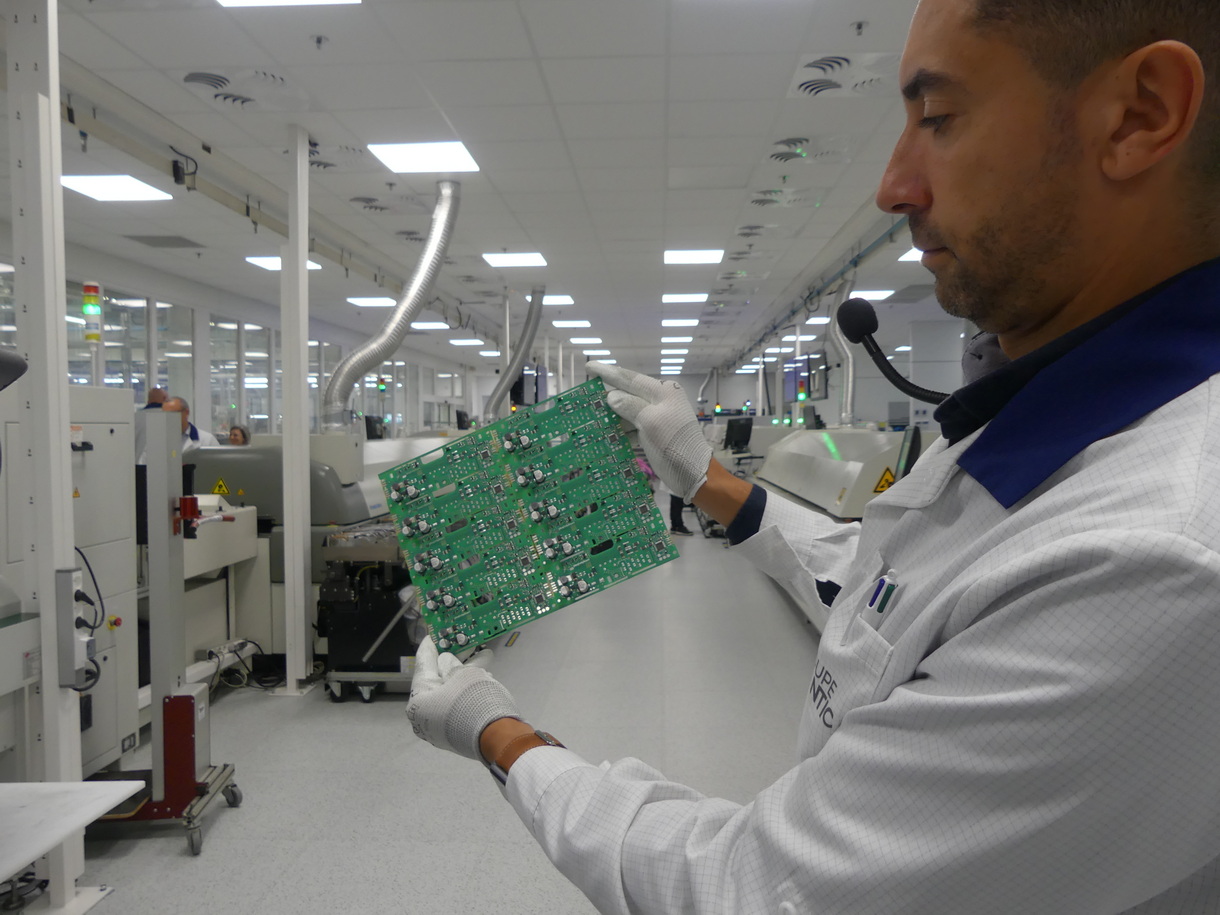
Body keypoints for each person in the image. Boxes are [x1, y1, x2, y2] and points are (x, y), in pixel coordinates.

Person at [406, 0, 1220, 911]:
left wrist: (499, 733)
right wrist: (705, 478)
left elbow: (751, 887)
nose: (893, 183)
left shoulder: (1158, 560)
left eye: (939, 118)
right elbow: (891, 596)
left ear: (1142, 112)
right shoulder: (1043, 439)